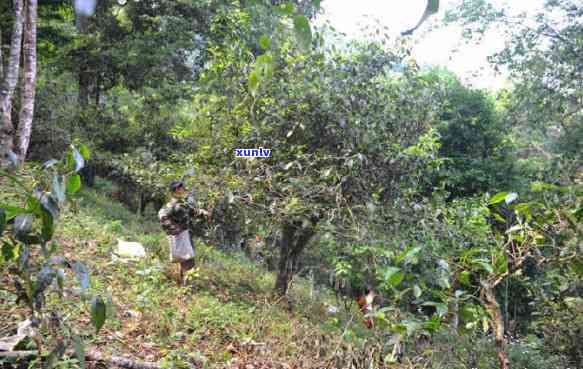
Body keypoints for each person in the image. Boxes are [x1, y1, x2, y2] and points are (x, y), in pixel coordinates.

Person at [158, 180, 208, 285]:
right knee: (188, 260)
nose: (184, 190)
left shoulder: (174, 204)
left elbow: (193, 212)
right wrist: (204, 213)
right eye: (182, 188)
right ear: (177, 190)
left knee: (183, 259)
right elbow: (193, 212)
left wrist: (201, 212)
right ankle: (188, 286)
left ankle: (182, 283)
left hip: (179, 236)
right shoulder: (177, 204)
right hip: (182, 235)